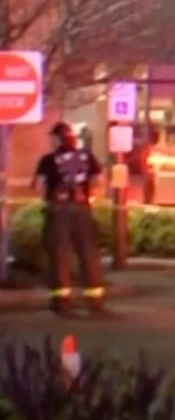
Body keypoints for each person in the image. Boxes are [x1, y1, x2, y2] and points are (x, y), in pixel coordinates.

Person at [32, 122, 106, 316]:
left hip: (58, 212)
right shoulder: (86, 156)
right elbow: (98, 181)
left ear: (57, 139)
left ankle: (62, 302)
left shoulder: (48, 160)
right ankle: (94, 300)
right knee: (89, 253)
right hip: (82, 210)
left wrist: (46, 197)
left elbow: (38, 186)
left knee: (60, 256)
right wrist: (89, 196)